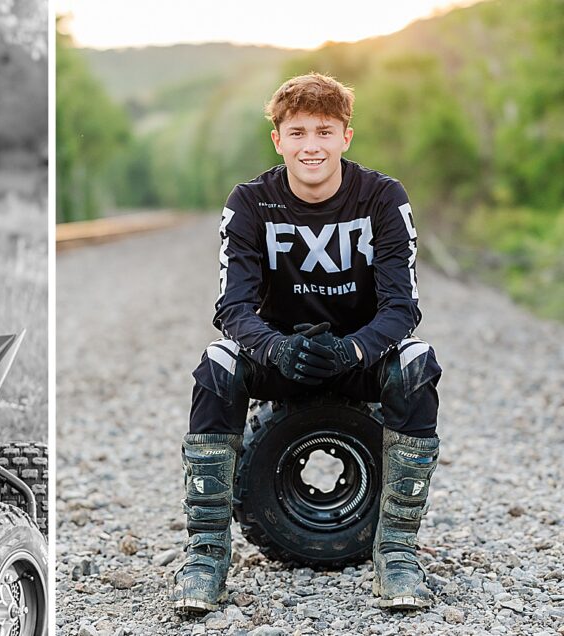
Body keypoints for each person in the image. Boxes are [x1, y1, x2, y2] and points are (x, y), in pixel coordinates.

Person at [172, 73, 442, 614]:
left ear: (346, 136)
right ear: (278, 140)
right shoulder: (250, 203)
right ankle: (205, 555)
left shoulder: (383, 198)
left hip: (358, 355)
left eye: (324, 131)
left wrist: (353, 350)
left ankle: (396, 553)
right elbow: (232, 308)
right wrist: (274, 348)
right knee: (218, 362)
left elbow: (402, 307)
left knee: (416, 361)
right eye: (297, 133)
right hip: (280, 355)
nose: (311, 146)